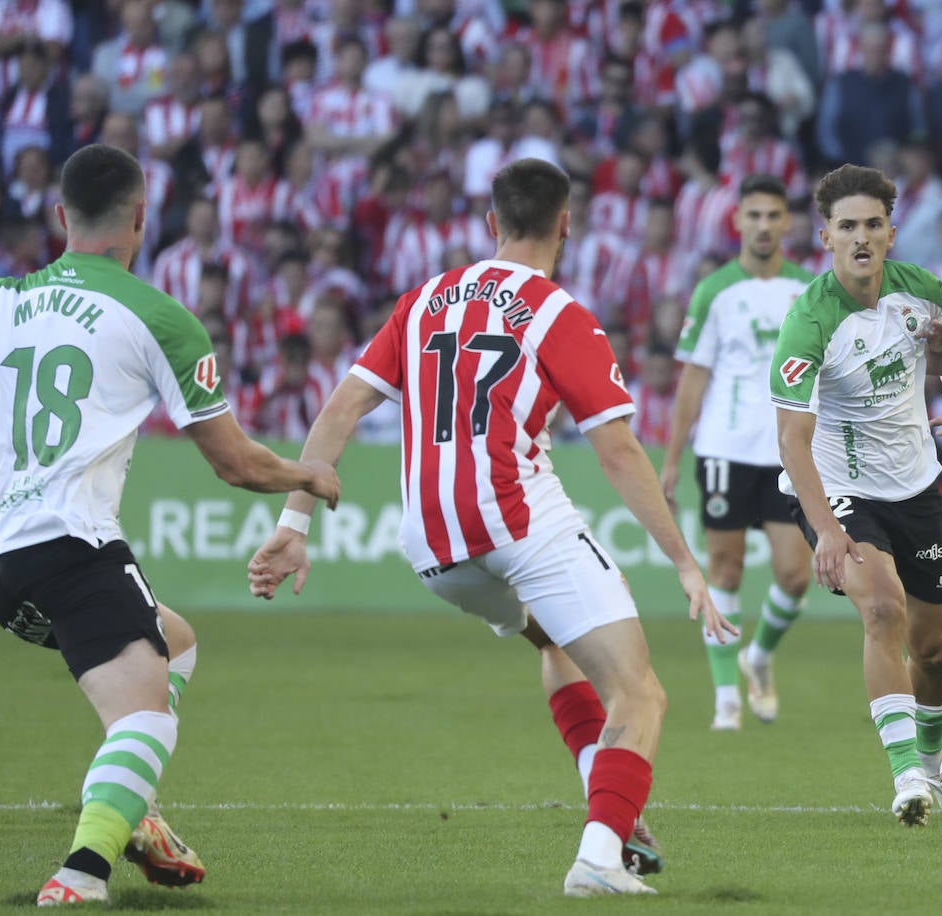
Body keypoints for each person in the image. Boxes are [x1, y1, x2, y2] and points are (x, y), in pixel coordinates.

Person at [245, 158, 732, 897]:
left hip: (432, 547)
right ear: (566, 224)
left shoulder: (425, 299)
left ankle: (603, 793)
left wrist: (295, 521)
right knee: (641, 695)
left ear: (489, 224)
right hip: (519, 525)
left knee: (554, 638)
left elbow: (339, 409)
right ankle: (599, 856)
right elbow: (618, 451)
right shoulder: (559, 314)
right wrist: (686, 565)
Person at [0, 144, 341, 907]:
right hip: (71, 543)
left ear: (61, 217)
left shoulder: (2, 299)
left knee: (174, 642)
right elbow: (236, 465)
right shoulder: (159, 315)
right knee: (147, 721)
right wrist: (306, 475)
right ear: (142, 221)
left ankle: (137, 817)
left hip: (3, 555)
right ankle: (82, 874)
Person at [770, 164, 942, 827]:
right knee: (882, 608)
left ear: (891, 232)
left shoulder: (921, 291)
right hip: (839, 489)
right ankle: (907, 781)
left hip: (917, 487)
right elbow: (791, 439)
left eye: (871, 225)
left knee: (937, 649)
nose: (860, 237)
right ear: (825, 235)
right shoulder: (808, 322)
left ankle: (929, 760)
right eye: (846, 226)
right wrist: (827, 530)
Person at [661, 174, 815, 731]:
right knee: (723, 569)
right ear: (738, 222)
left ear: (787, 223)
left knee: (796, 574)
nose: (764, 226)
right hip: (724, 450)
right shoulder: (714, 291)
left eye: (774, 215)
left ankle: (760, 655)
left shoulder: (809, 290)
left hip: (788, 452)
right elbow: (693, 380)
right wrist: (675, 458)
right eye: (754, 215)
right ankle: (726, 696)